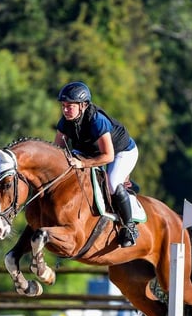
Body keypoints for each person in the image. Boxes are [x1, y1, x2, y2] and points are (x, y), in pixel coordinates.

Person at [53, 81, 140, 247]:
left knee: (112, 184)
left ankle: (129, 227)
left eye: (70, 106)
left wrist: (83, 163)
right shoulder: (65, 122)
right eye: (63, 106)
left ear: (83, 105)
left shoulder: (96, 120)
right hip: (91, 151)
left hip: (121, 152)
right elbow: (58, 151)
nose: (65, 110)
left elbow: (108, 156)